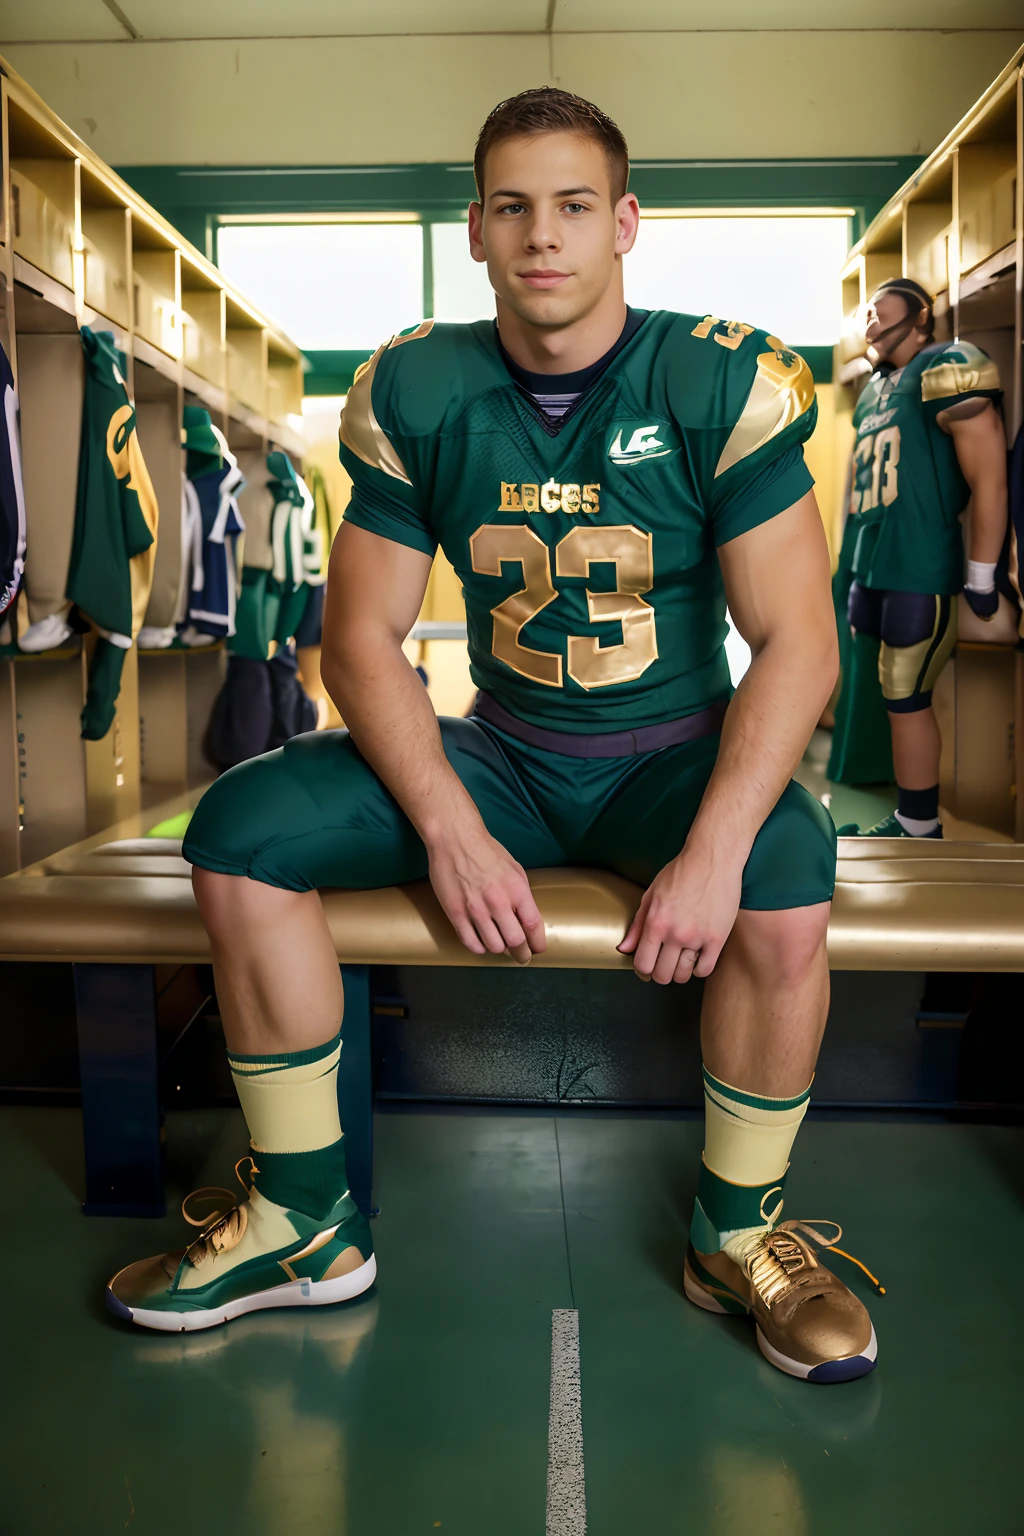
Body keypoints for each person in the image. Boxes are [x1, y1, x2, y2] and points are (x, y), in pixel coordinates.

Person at [107, 89, 878, 1383]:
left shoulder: (712, 377)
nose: (544, 235)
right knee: (240, 834)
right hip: (508, 755)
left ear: (625, 221)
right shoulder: (422, 382)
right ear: (475, 229)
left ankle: (737, 1229)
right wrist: (452, 831)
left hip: (673, 757)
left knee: (787, 883)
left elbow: (801, 644)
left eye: (575, 205)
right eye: (513, 206)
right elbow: (360, 638)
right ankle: (306, 1223)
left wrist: (712, 852)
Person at [835, 278, 1007, 838]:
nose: (872, 324)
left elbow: (990, 479)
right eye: (867, 313)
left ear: (921, 318)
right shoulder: (873, 391)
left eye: (882, 312)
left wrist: (981, 571)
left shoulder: (949, 367)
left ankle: (918, 822)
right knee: (892, 695)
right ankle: (914, 818)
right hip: (874, 565)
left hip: (919, 566)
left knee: (908, 695)